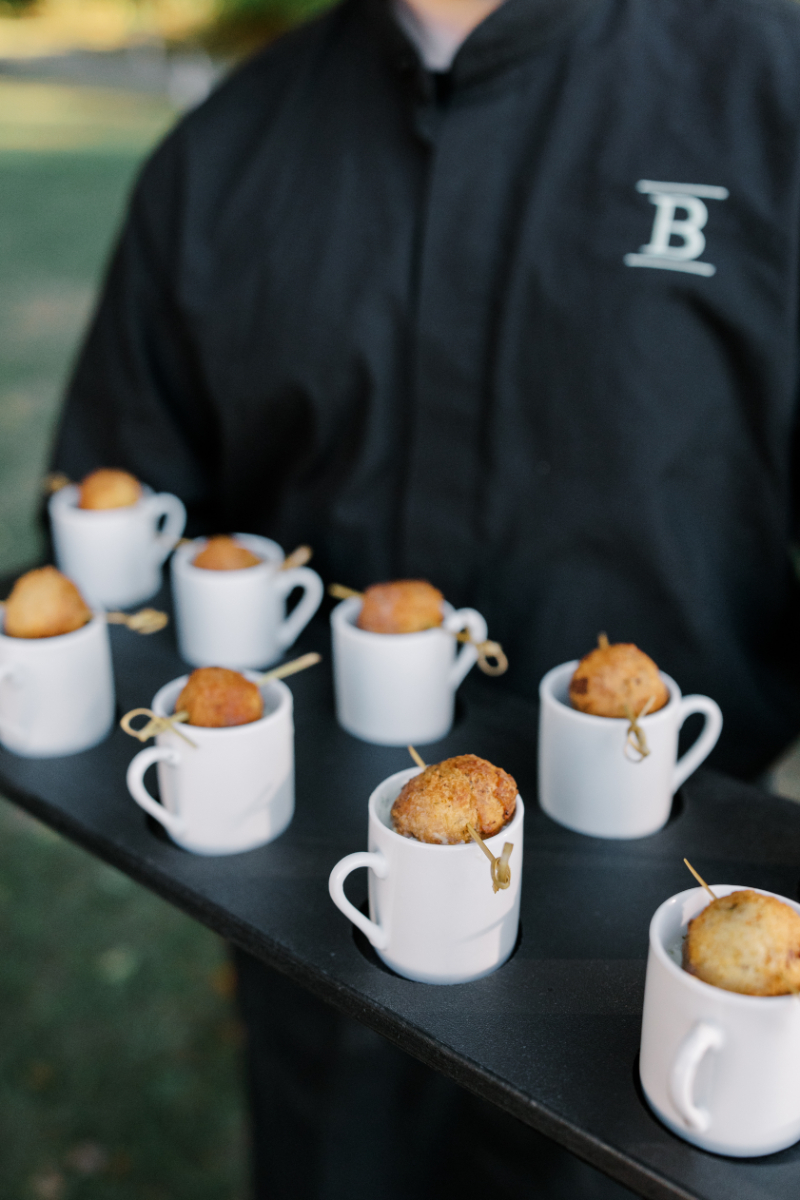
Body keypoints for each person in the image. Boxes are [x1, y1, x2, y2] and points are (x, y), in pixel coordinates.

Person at [51, 0, 800, 1191]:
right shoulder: (224, 148)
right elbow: (106, 562)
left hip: (666, 1024)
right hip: (317, 976)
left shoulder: (774, 94)